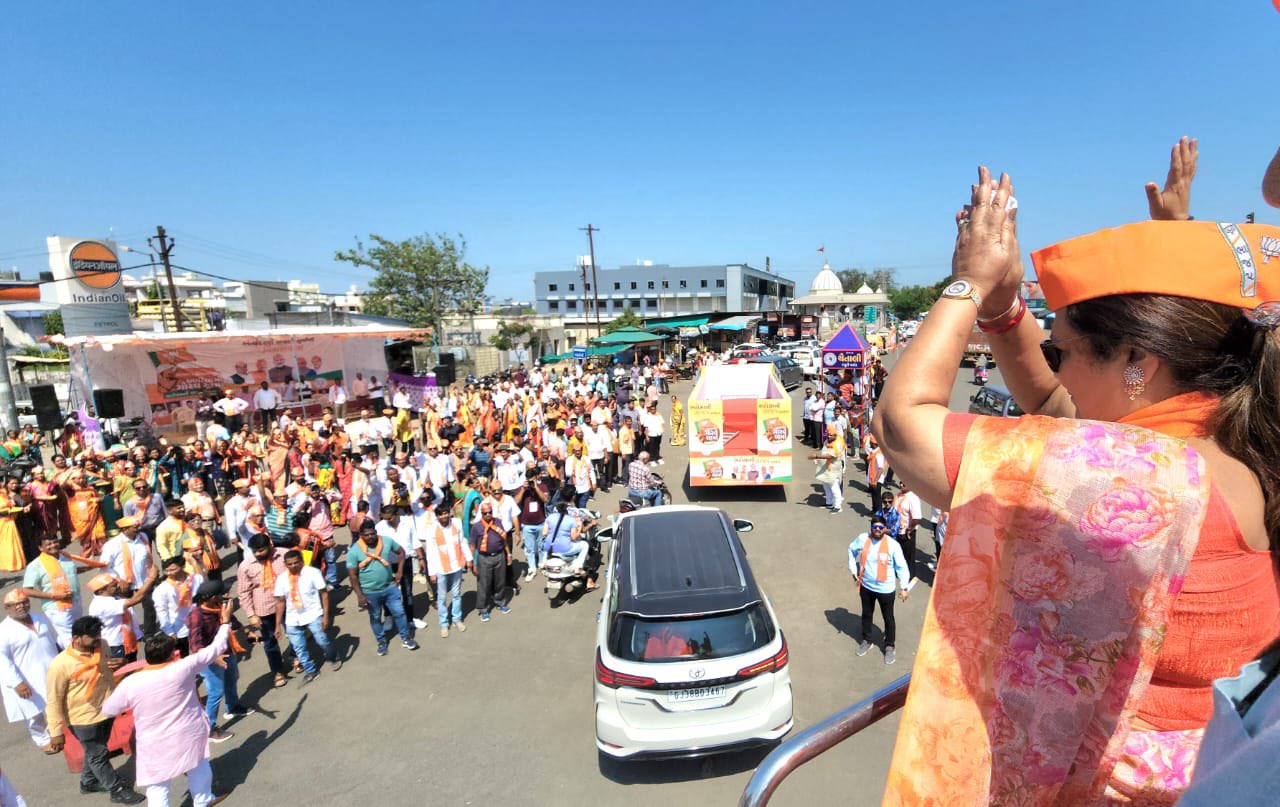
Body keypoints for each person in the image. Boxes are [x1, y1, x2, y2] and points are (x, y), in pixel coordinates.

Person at [875, 161, 1280, 803]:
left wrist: (968, 283)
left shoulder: (1139, 473)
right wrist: (1004, 308)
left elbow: (901, 426)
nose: (1054, 368)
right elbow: (1054, 405)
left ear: (1138, 362)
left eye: (1060, 351)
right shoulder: (1234, 438)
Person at [102, 613, 233, 807]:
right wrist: (226, 622)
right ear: (172, 654)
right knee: (198, 765)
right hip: (188, 732)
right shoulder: (183, 668)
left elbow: (108, 709)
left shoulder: (131, 682)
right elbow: (216, 648)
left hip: (153, 742)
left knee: (157, 785)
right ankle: (203, 800)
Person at [45, 616, 145, 804]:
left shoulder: (102, 645)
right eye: (92, 636)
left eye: (98, 634)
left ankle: (89, 782)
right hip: (83, 719)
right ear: (76, 639)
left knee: (95, 751)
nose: (98, 639)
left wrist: (121, 663)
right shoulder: (60, 665)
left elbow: (108, 668)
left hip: (107, 710)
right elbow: (53, 700)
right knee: (99, 755)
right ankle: (117, 790)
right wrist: (56, 732)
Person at [0, 589, 59, 753]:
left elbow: (53, 641)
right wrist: (17, 683)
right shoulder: (3, 631)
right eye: (16, 604)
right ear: (7, 608)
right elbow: (2, 660)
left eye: (24, 602)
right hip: (26, 678)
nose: (21, 606)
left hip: (51, 669)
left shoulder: (40, 618)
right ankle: (43, 740)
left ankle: (61, 732)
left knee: (58, 701)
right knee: (33, 712)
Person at [346, 522, 417, 656]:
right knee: (375, 618)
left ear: (376, 532)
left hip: (390, 587)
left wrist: (400, 571)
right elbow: (353, 576)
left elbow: (401, 552)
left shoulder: (386, 541)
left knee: (400, 613)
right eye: (366, 535)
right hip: (370, 592)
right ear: (360, 535)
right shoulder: (354, 551)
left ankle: (406, 638)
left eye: (372, 533)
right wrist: (360, 596)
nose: (370, 537)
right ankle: (381, 642)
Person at [847, 516, 910, 665]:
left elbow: (902, 567)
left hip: (886, 589)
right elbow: (851, 550)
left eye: (880, 527)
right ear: (871, 528)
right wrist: (853, 571)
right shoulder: (863, 539)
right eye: (875, 527)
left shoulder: (893, 545)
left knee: (888, 618)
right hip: (866, 586)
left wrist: (904, 587)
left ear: (885, 529)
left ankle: (889, 646)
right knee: (867, 614)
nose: (877, 530)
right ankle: (867, 640)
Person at [274, 548, 338, 683]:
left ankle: (332, 656)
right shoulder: (281, 579)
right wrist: (278, 625)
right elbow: (280, 602)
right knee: (299, 647)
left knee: (322, 640)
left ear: (302, 561)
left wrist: (326, 616)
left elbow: (324, 594)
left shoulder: (312, 573)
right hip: (292, 618)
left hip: (313, 613)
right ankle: (311, 670)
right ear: (285, 564)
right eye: (289, 564)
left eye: (296, 563)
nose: (293, 566)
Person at [236, 533, 289, 688]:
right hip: (264, 609)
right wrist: (251, 615)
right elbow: (243, 593)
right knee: (270, 641)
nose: (258, 554)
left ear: (270, 546)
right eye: (255, 551)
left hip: (287, 603)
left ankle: (296, 658)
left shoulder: (283, 555)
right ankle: (278, 671)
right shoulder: (246, 566)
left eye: (261, 550)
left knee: (295, 633)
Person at [418, 505, 472, 637]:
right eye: (441, 514)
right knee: (441, 598)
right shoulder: (432, 529)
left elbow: (462, 541)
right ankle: (443, 623)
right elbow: (430, 552)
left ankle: (457, 619)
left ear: (449, 513)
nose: (444, 516)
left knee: (456, 594)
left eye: (446, 513)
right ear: (437, 516)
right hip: (440, 568)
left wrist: (469, 558)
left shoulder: (456, 523)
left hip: (456, 565)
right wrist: (431, 573)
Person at [86, 569, 158, 664]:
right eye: (113, 586)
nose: (117, 587)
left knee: (132, 666)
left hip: (127, 641)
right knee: (124, 670)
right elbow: (135, 599)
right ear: (101, 591)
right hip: (115, 647)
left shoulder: (112, 596)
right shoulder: (101, 604)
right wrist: (151, 579)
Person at [22, 534, 82, 648]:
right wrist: (55, 596)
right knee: (70, 637)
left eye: (55, 542)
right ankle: (76, 657)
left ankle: (59, 650)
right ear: (41, 548)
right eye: (48, 544)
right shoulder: (35, 565)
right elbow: (26, 590)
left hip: (75, 602)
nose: (53, 545)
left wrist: (92, 567)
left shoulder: (65, 556)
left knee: (77, 631)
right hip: (57, 607)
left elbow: (71, 572)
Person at [468, 502, 510, 623]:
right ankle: (483, 608)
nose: (488, 515)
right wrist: (473, 563)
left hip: (499, 555)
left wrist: (508, 554)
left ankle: (500, 602)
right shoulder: (476, 527)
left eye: (489, 512)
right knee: (484, 584)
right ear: (481, 514)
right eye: (485, 513)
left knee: (500, 581)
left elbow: (504, 539)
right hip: (484, 558)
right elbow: (473, 546)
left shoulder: (498, 522)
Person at [153, 556, 202, 656]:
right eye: (167, 570)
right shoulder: (162, 589)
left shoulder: (195, 579)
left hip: (198, 625)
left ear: (183, 566)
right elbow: (162, 612)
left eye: (173, 569)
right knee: (183, 658)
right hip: (179, 630)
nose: (170, 573)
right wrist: (170, 633)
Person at [515, 465, 548, 582]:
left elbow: (545, 499)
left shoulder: (542, 486)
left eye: (532, 480)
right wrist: (523, 490)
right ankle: (532, 568)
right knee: (529, 549)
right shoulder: (523, 489)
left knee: (541, 546)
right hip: (527, 524)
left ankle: (542, 564)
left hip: (540, 522)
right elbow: (515, 501)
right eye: (529, 480)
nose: (530, 482)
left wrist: (536, 488)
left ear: (536, 477)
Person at [809, 427, 844, 514]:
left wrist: (816, 456)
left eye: (830, 435)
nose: (828, 436)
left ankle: (838, 506)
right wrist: (817, 459)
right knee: (826, 486)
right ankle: (829, 503)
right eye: (828, 434)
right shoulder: (827, 441)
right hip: (825, 468)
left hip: (833, 469)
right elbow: (824, 452)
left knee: (834, 488)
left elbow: (830, 456)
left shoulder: (837, 444)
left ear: (835, 435)